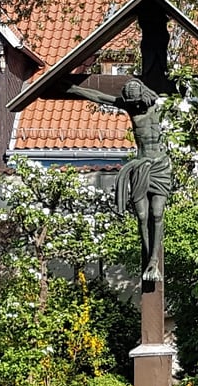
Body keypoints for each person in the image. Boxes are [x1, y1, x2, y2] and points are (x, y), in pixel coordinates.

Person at [64, 77, 171, 284]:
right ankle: (150, 260)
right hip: (140, 166)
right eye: (131, 103)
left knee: (157, 213)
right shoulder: (131, 109)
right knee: (141, 216)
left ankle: (154, 259)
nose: (135, 106)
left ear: (144, 95)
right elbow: (100, 97)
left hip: (160, 166)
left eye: (137, 102)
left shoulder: (159, 107)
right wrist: (75, 89)